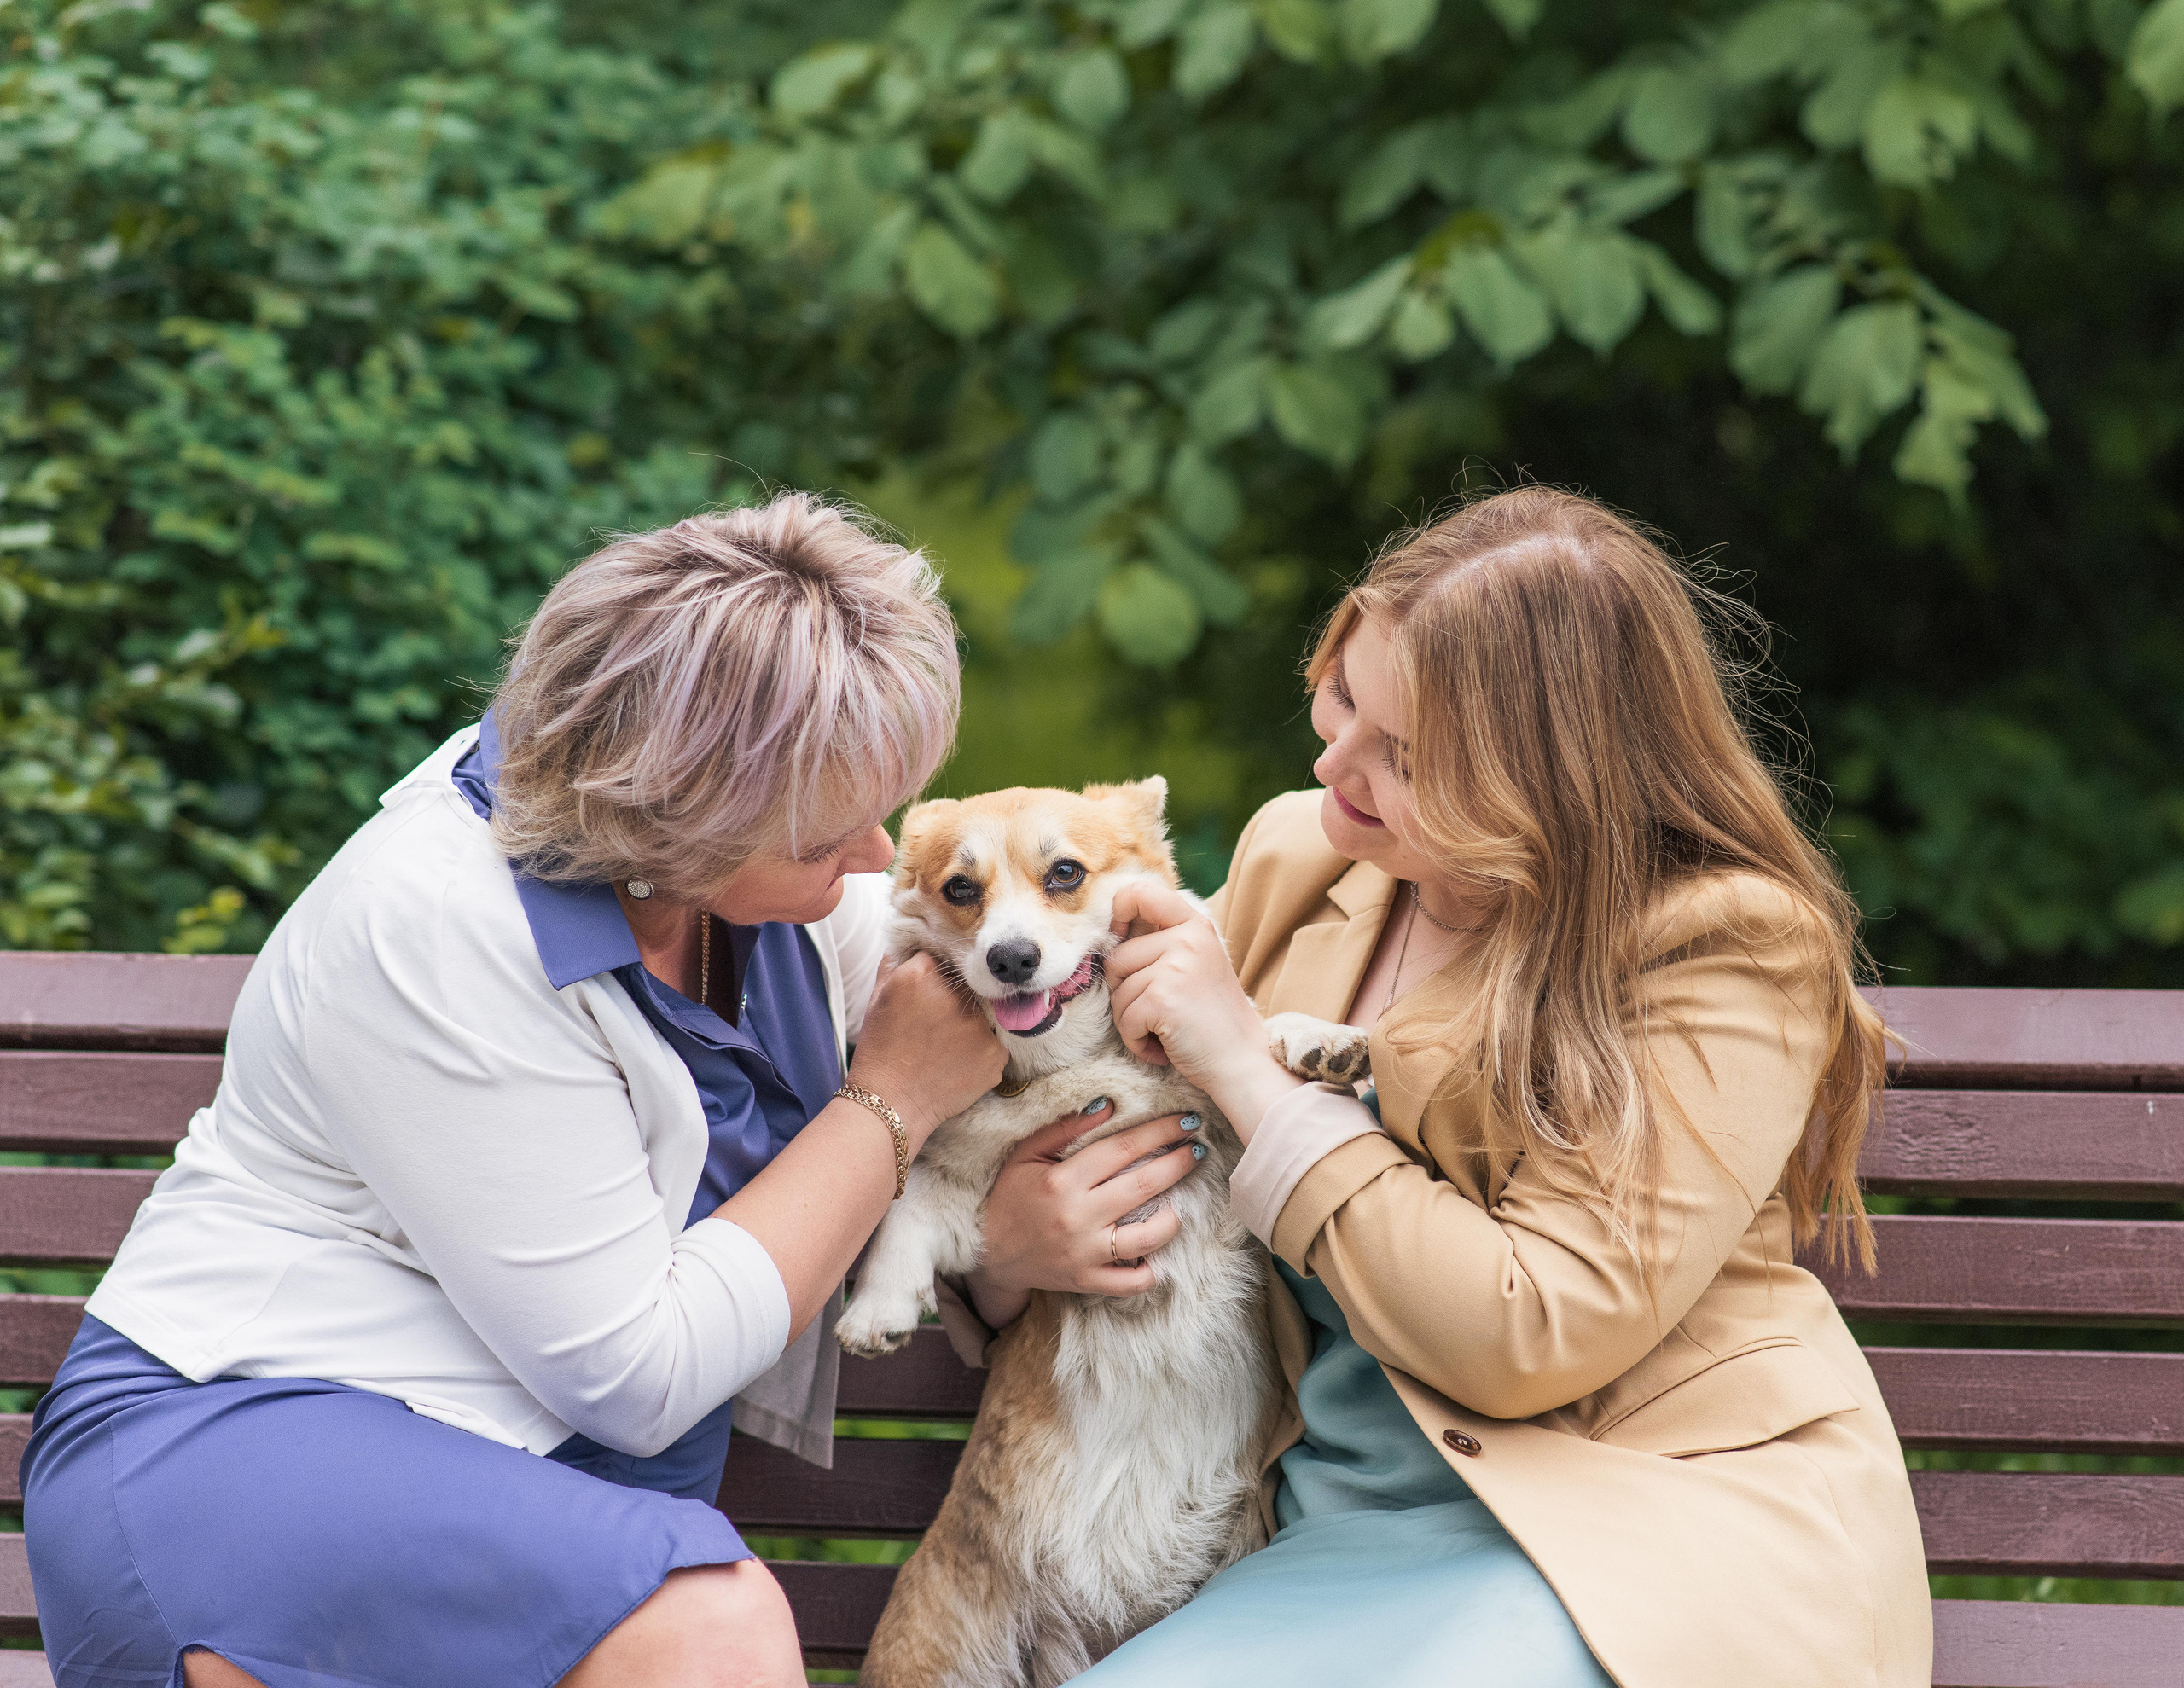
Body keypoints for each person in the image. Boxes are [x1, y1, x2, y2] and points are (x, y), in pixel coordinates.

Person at [18, 492, 1210, 1688]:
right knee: (708, 1622)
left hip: (542, 1501)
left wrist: (1019, 1213)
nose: (869, 857)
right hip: (245, 1449)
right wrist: (886, 1105)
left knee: (690, 1604)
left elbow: (1008, 1033)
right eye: (822, 833)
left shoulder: (750, 897)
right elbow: (637, 1376)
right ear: (669, 815)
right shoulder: (432, 927)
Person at [950, 488, 1931, 1688]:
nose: (1332, 762)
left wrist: (1251, 1076)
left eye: (1404, 759)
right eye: (1344, 696)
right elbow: (1128, 1154)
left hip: (1634, 1531)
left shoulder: (1723, 946)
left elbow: (1530, 1332)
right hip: (1327, 1532)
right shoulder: (1301, 856)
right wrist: (1006, 1254)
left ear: (1547, 782)